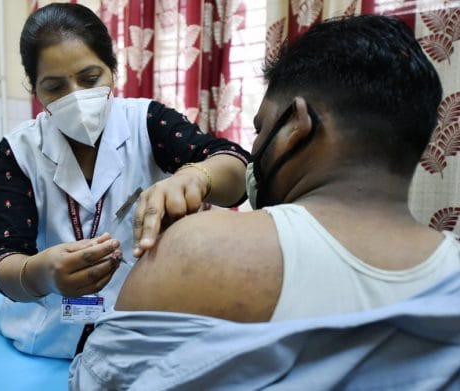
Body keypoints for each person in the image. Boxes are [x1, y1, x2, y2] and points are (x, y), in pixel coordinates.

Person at [70, 14, 460, 388]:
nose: (255, 147)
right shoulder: (452, 280)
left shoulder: (199, 248)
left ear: (296, 125)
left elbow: (99, 380)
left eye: (260, 128)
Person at [0, 3, 250, 359]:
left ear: (113, 70)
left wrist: (195, 176)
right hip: (43, 336)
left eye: (90, 78)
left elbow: (235, 167)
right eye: (54, 87)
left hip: (136, 330)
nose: (76, 97)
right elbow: (1, 257)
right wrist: (40, 274)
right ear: (35, 89)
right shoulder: (19, 150)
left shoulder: (148, 122)